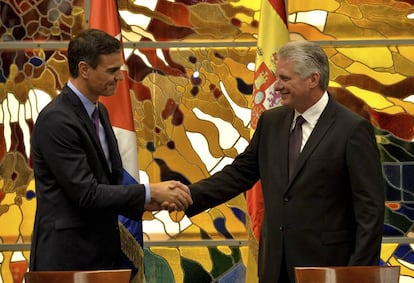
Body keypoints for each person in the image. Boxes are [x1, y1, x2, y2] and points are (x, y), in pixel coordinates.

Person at [184, 40, 385, 282]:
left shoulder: (352, 129)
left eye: (284, 78)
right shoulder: (271, 122)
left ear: (313, 79)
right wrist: (185, 196)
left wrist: (357, 274)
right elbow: (239, 174)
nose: (276, 86)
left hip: (327, 269)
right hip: (274, 267)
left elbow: (370, 210)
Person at [29, 29, 192, 271]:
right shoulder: (57, 120)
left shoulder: (100, 112)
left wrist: (150, 202)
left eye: (120, 69)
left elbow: (111, 184)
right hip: (68, 261)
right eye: (112, 71)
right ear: (84, 69)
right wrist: (149, 192)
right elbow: (86, 194)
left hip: (103, 256)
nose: (120, 78)